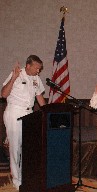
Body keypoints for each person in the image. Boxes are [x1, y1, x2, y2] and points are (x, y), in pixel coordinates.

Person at [1, 55, 46, 190]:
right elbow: (3, 94)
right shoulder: (16, 75)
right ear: (28, 65)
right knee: (15, 148)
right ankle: (16, 179)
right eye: (37, 68)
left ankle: (26, 176)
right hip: (14, 112)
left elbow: (40, 98)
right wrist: (13, 77)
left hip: (29, 114)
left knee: (27, 147)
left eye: (40, 69)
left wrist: (47, 112)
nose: (38, 71)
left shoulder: (36, 79)